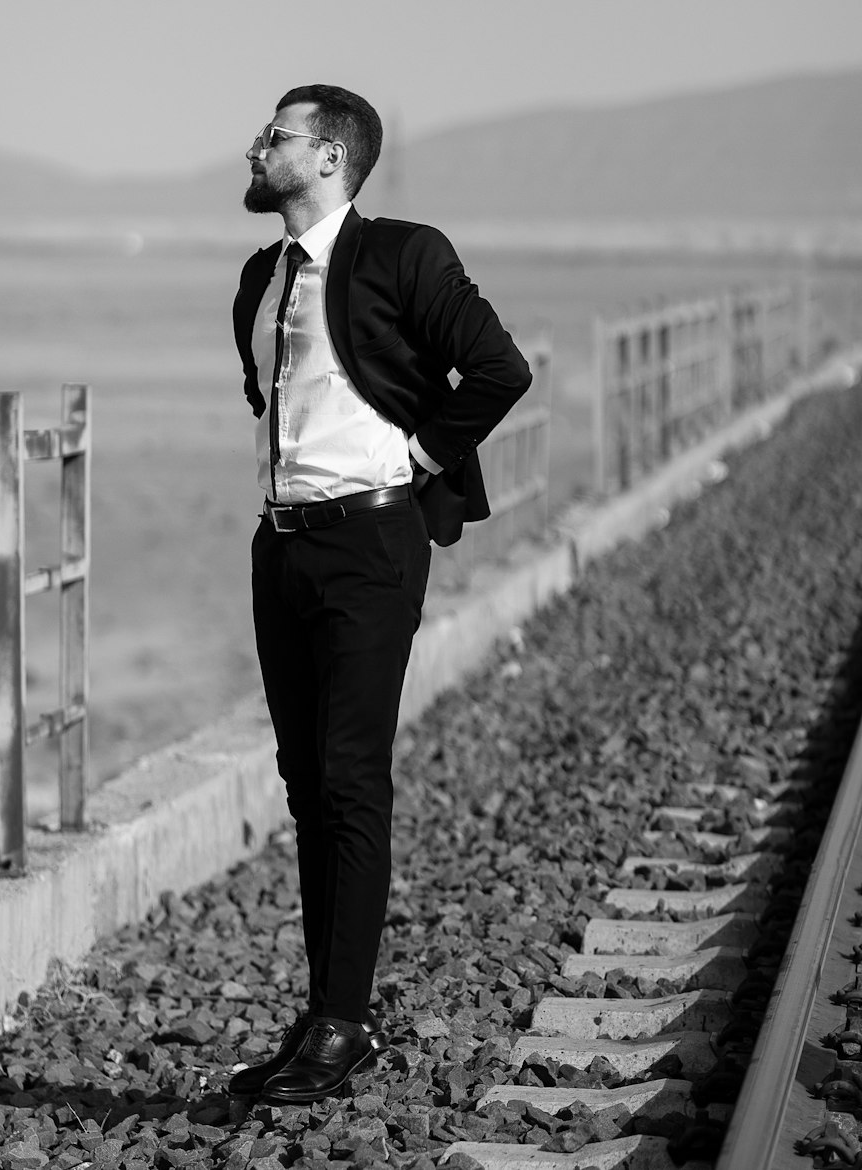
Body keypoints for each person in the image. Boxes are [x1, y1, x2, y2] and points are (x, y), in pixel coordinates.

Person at [229, 85, 533, 1105]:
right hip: (283, 547)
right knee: (307, 781)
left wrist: (415, 453)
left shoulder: (406, 252)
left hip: (371, 539)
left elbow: (497, 369)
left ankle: (346, 1022)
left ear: (327, 159)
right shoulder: (263, 276)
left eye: (274, 134)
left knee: (351, 777)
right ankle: (322, 1008)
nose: (254, 145)